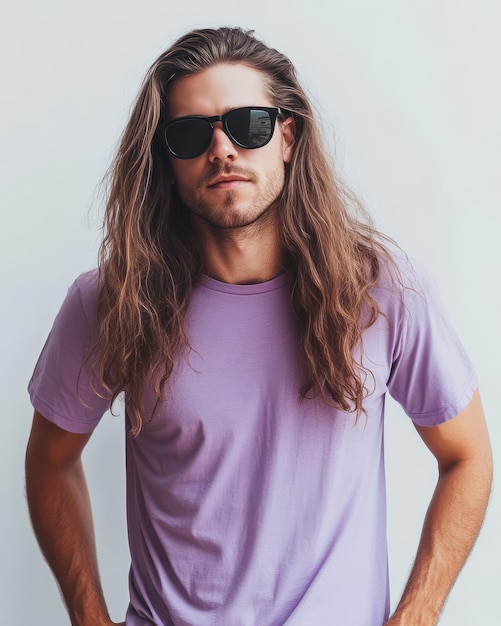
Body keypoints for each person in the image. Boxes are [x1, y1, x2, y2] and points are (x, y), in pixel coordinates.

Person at [25, 26, 492, 626]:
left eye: (248, 125)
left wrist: (419, 611)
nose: (221, 150)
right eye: (191, 134)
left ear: (288, 136)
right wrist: (88, 616)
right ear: (166, 161)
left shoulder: (380, 290)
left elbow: (468, 456)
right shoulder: (113, 302)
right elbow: (50, 460)